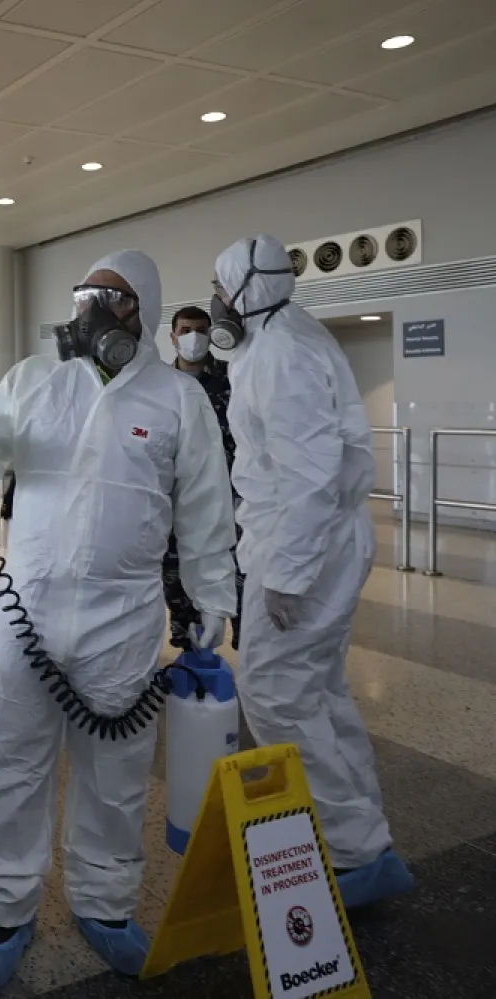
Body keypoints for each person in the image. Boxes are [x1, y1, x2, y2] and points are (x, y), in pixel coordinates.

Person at [0, 250, 237, 993]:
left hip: (123, 615)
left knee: (115, 775)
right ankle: (2, 910)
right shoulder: (36, 379)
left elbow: (206, 509)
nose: (90, 310)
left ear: (143, 314)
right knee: (9, 763)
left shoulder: (177, 401)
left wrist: (213, 597)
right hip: (28, 605)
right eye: (85, 294)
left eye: (110, 297)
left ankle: (106, 904)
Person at [211, 234, 413, 910]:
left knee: (273, 690)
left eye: (220, 288)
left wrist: (288, 575)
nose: (215, 303)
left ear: (244, 291)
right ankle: (364, 835)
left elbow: (310, 473)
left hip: (306, 544)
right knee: (320, 688)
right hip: (320, 535)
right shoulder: (287, 333)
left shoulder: (282, 352)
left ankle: (354, 849)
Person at [162, 305, 244, 650]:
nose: (192, 337)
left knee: (239, 576)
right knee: (178, 582)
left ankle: (249, 656)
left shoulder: (233, 378)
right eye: (185, 330)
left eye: (200, 329)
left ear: (212, 334)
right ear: (172, 336)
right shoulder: (160, 386)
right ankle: (190, 654)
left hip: (233, 501)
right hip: (178, 502)